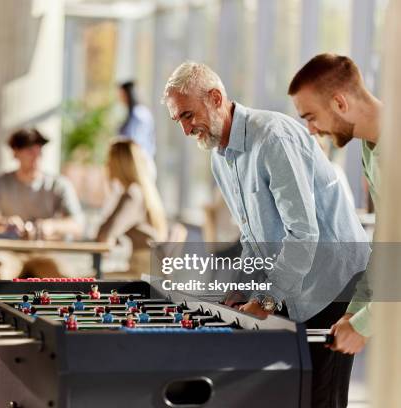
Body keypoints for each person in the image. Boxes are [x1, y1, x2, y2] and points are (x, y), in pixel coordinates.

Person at [162, 61, 370, 408]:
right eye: (178, 120)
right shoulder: (220, 157)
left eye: (187, 115)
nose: (185, 130)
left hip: (332, 283)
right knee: (284, 394)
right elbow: (253, 234)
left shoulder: (272, 137)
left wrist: (268, 297)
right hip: (295, 281)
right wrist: (245, 284)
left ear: (215, 98)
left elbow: (303, 232)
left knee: (320, 398)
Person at [289, 53, 382, 355]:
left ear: (340, 103)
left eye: (311, 117)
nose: (312, 130)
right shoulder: (373, 150)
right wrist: (354, 313)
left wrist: (365, 323)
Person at [0, 128, 83, 278]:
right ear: (15, 153)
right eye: (30, 151)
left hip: (44, 252)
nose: (36, 156)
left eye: (39, 151)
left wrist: (50, 226)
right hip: (10, 252)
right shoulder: (0, 183)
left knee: (66, 278)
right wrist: (4, 224)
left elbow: (78, 225)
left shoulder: (58, 184)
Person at [96, 140, 167, 277]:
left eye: (109, 160)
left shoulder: (132, 195)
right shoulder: (142, 191)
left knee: (85, 281)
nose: (106, 165)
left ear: (119, 163)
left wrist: (107, 187)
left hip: (142, 273)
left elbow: (104, 235)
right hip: (151, 269)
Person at [118, 81, 156, 160]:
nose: (120, 98)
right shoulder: (134, 113)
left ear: (129, 94)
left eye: (122, 94)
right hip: (136, 160)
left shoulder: (139, 114)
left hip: (139, 162)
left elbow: (135, 141)